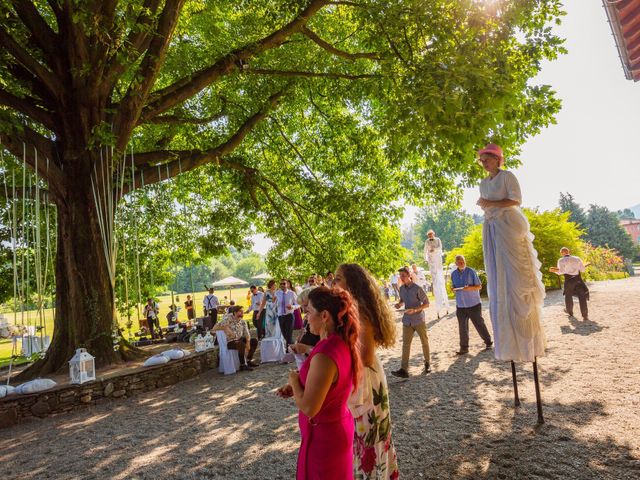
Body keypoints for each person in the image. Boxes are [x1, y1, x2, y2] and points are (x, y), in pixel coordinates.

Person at [277, 287, 362, 480]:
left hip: (324, 437)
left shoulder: (326, 352)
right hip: (333, 429)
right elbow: (330, 385)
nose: (305, 318)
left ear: (324, 316)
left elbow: (309, 407)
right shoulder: (338, 342)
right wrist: (300, 386)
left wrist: (293, 379)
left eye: (308, 312)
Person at [477, 143, 546, 362]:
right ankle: (506, 335)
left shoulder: (507, 176)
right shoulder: (483, 183)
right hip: (493, 226)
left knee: (516, 276)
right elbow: (489, 204)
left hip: (508, 224)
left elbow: (516, 200)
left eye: (487, 159)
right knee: (498, 272)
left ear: (497, 159)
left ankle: (526, 335)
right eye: (482, 160)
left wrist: (490, 203)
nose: (484, 163)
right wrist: (486, 206)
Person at [334, 263, 400, 480]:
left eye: (338, 279)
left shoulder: (361, 311)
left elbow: (366, 357)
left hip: (367, 378)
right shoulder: (351, 308)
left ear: (352, 283)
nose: (333, 283)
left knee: (369, 435)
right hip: (362, 374)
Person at [392, 266, 431, 377]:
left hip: (419, 320)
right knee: (405, 345)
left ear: (409, 275)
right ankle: (404, 370)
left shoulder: (417, 288)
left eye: (403, 276)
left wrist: (415, 310)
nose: (401, 278)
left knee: (424, 342)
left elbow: (427, 303)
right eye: (400, 276)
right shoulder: (402, 289)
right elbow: (402, 300)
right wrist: (399, 304)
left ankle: (428, 363)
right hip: (407, 321)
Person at [451, 255, 493, 355]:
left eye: (463, 261)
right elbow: (454, 286)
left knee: (479, 324)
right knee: (462, 327)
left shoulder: (471, 271)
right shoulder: (453, 274)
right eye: (459, 262)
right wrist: (453, 289)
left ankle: (488, 342)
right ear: (456, 263)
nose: (461, 263)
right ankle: (464, 348)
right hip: (460, 305)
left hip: (473, 304)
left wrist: (469, 288)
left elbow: (479, 286)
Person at [213, 305, 259, 371]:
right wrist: (226, 328)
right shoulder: (228, 319)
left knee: (254, 341)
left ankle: (248, 360)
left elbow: (247, 333)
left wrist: (248, 342)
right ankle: (242, 365)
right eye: (240, 311)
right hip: (230, 341)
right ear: (235, 312)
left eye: (242, 311)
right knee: (241, 344)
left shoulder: (243, 322)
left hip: (239, 339)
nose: (242, 313)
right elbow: (215, 328)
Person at [549, 247, 590, 321]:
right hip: (578, 280)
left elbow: (561, 272)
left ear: (561, 253)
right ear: (569, 252)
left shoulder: (561, 260)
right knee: (582, 296)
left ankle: (570, 312)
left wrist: (554, 271)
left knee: (568, 296)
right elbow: (582, 270)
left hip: (568, 280)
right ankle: (585, 315)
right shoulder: (577, 258)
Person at [424, 230, 449, 315]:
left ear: (433, 234)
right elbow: (425, 250)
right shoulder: (426, 241)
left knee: (440, 278)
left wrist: (433, 250)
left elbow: (440, 248)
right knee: (435, 280)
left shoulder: (438, 239)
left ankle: (444, 302)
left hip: (437, 258)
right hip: (431, 260)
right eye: (429, 235)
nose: (430, 236)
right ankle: (438, 303)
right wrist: (426, 259)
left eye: (431, 235)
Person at [276, 279, 297, 348]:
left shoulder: (292, 293)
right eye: (281, 284)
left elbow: (298, 304)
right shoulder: (277, 293)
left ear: (287, 284)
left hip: (289, 316)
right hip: (280, 316)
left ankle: (288, 351)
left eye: (284, 284)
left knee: (289, 334)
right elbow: (273, 303)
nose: (282, 285)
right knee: (284, 334)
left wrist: (292, 306)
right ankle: (294, 346)